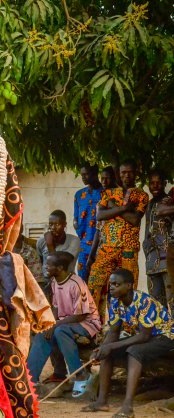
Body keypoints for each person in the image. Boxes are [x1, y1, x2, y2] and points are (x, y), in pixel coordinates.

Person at [83, 268, 174, 417]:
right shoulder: (114, 301)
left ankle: (128, 406)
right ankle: (102, 402)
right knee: (107, 352)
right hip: (148, 337)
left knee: (134, 351)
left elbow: (144, 336)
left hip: (166, 337)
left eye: (116, 284)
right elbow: (113, 331)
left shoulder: (144, 302)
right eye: (110, 284)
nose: (111, 287)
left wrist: (111, 346)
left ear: (129, 285)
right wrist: (103, 348)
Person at [26, 252, 100, 397]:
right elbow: (55, 307)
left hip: (87, 323)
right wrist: (50, 324)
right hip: (66, 323)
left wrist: (56, 325)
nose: (45, 267)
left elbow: (82, 314)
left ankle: (80, 375)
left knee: (60, 331)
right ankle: (29, 379)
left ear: (59, 268)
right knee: (43, 334)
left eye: (49, 265)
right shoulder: (54, 282)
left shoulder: (76, 283)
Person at [88, 160, 148, 311]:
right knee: (94, 283)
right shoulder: (108, 193)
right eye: (123, 172)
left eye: (130, 172)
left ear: (136, 173)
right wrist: (125, 208)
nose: (127, 175)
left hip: (129, 249)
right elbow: (100, 215)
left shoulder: (142, 195)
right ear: (119, 175)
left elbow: (135, 219)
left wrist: (113, 208)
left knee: (127, 288)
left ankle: (127, 327)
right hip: (108, 247)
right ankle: (93, 325)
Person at [143, 171, 171, 308]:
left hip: (168, 259)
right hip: (152, 260)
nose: (155, 186)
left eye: (158, 182)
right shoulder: (148, 204)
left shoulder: (169, 202)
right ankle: (162, 329)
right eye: (152, 183)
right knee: (156, 303)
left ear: (164, 184)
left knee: (172, 300)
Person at [36, 210, 80, 298]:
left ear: (64, 225)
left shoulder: (74, 241)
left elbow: (60, 265)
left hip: (66, 283)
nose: (53, 227)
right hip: (46, 284)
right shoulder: (41, 241)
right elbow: (41, 261)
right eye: (51, 224)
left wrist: (50, 245)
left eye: (57, 224)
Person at [85, 166, 119, 277]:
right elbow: (98, 230)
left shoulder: (121, 197)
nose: (104, 181)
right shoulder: (102, 199)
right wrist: (91, 256)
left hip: (118, 249)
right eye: (102, 178)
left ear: (114, 179)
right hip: (102, 250)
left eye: (107, 178)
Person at [73, 165, 103, 280]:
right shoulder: (79, 195)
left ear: (95, 174)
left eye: (86, 174)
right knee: (83, 281)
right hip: (84, 246)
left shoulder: (105, 192)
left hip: (102, 246)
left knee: (100, 282)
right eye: (82, 175)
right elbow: (75, 219)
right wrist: (79, 230)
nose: (83, 177)